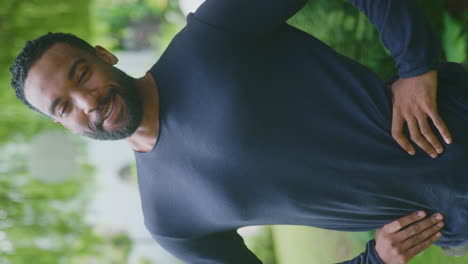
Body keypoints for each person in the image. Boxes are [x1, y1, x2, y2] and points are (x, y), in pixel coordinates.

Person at [9, 0, 468, 263]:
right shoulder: (169, 220)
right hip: (457, 220)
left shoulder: (212, 34)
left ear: (103, 54)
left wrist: (416, 64)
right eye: (65, 105)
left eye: (81, 73)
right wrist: (374, 260)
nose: (88, 101)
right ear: (61, 124)